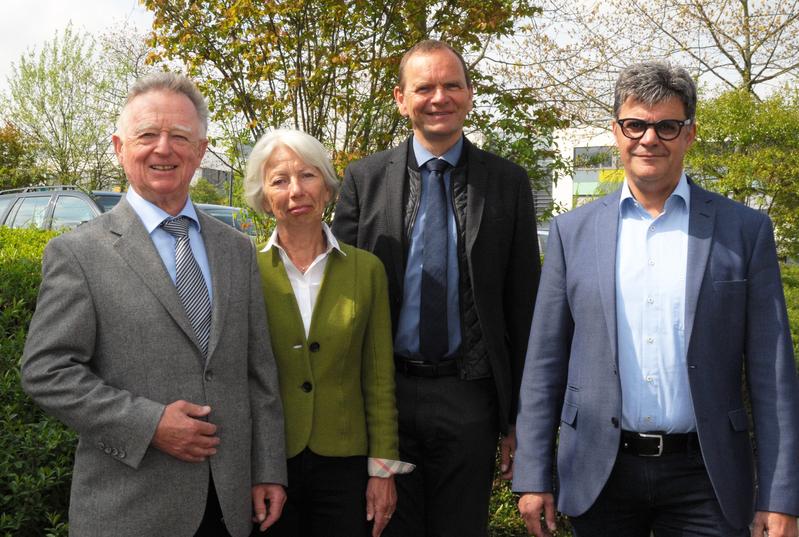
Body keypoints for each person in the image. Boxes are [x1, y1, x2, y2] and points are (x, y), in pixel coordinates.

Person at [513, 61, 799, 537]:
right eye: (636, 125)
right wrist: (533, 474)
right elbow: (545, 363)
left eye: (667, 126)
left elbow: (773, 374)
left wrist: (780, 495)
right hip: (599, 472)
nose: (650, 139)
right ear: (617, 132)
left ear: (689, 134)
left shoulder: (744, 232)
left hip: (706, 478)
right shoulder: (572, 233)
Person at [21, 72, 287, 537]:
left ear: (201, 151)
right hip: (130, 509)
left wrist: (267, 468)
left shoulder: (236, 249)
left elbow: (257, 371)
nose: (163, 148)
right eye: (147, 135)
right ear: (120, 147)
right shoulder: (78, 253)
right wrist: (149, 424)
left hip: (229, 505)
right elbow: (46, 370)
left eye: (180, 136)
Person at [332, 40, 540, 537]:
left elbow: (523, 307)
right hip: (385, 397)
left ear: (469, 95)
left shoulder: (508, 183)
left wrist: (519, 420)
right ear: (402, 99)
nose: (439, 97)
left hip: (470, 397)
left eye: (451, 85)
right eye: (424, 87)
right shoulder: (363, 179)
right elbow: (336, 291)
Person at [243, 129, 411, 537]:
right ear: (264, 197)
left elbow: (378, 377)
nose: (296, 190)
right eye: (279, 180)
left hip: (347, 463)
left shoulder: (365, 269)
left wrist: (383, 469)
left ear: (328, 187)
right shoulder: (244, 267)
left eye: (308, 175)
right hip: (267, 464)